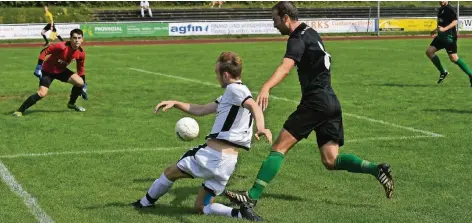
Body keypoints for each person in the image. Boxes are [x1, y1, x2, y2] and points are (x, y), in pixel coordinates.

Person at [224, 1, 394, 208]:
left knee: (279, 147)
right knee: (331, 160)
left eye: (275, 20)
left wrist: (266, 87)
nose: (274, 25)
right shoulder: (311, 33)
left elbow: (286, 67)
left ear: (286, 18)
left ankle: (252, 196)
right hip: (330, 101)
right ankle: (377, 169)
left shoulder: (296, 39)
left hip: (315, 102)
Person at [131, 52, 271, 222]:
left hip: (211, 156)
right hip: (227, 163)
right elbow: (202, 109)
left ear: (225, 75)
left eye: (217, 73)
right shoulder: (232, 93)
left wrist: (262, 127)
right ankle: (240, 214)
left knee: (170, 172)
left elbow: (253, 106)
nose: (216, 77)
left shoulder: (236, 89)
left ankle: (144, 203)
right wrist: (176, 103)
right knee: (200, 207)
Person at [13, 29, 88, 117]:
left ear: (82, 39)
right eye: (74, 38)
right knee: (42, 93)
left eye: (79, 38)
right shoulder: (61, 46)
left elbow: (81, 68)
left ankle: (71, 104)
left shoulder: (81, 53)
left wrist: (83, 85)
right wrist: (39, 66)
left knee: (80, 82)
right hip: (48, 71)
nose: (77, 40)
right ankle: (20, 110)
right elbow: (44, 52)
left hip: (61, 70)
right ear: (70, 39)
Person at [426, 1, 472, 87]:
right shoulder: (441, 9)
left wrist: (445, 29)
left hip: (449, 38)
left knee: (454, 58)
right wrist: (435, 30)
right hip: (440, 37)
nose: (441, 1)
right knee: (429, 52)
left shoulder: (449, 9)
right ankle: (443, 72)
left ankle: (471, 75)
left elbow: (455, 22)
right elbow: (441, 24)